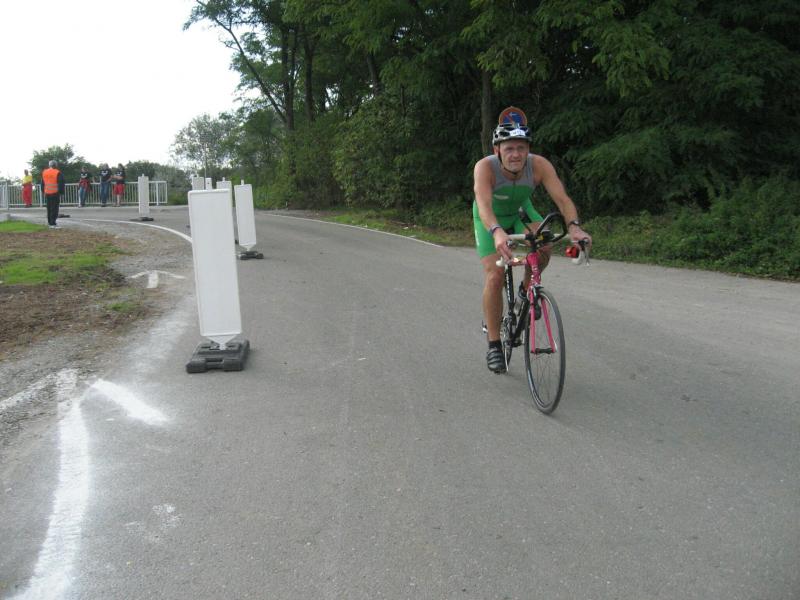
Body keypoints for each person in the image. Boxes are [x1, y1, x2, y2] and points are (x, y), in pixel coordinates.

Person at [473, 107, 592, 373]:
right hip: (489, 218)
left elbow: (562, 199)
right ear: (497, 150)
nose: (516, 154)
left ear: (528, 149)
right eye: (509, 148)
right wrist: (497, 232)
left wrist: (574, 228)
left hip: (520, 212)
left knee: (545, 244)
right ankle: (494, 344)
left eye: (521, 148)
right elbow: (483, 206)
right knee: (494, 275)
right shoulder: (485, 167)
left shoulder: (539, 165)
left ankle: (525, 293)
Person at [41, 160, 65, 229]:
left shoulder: (45, 172)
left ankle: (49, 222)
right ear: (55, 165)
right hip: (55, 193)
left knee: (49, 208)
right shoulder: (57, 172)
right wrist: (61, 192)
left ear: (49, 165)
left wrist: (43, 191)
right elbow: (61, 183)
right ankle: (53, 223)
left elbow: (42, 183)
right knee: (54, 208)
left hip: (47, 192)